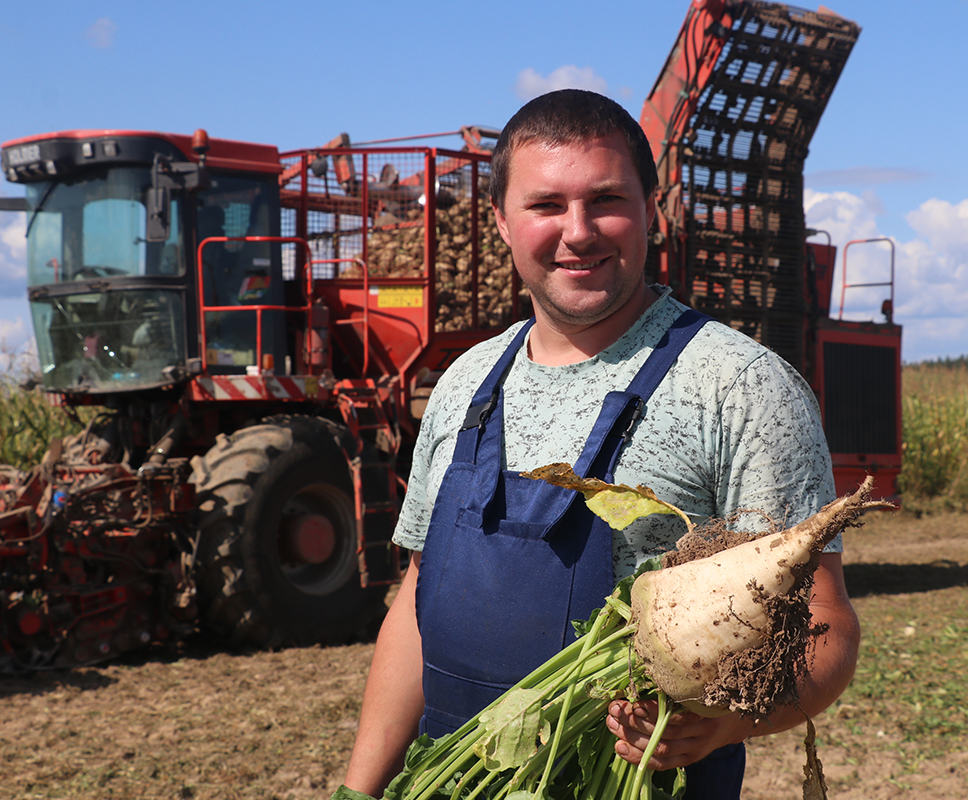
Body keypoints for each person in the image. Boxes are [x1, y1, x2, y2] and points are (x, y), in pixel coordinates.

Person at [343, 89, 860, 799]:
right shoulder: (464, 383)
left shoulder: (741, 386)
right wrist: (358, 788)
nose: (578, 231)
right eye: (547, 205)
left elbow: (826, 626)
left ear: (653, 208)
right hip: (447, 782)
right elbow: (415, 603)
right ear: (500, 221)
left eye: (606, 200)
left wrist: (722, 728)